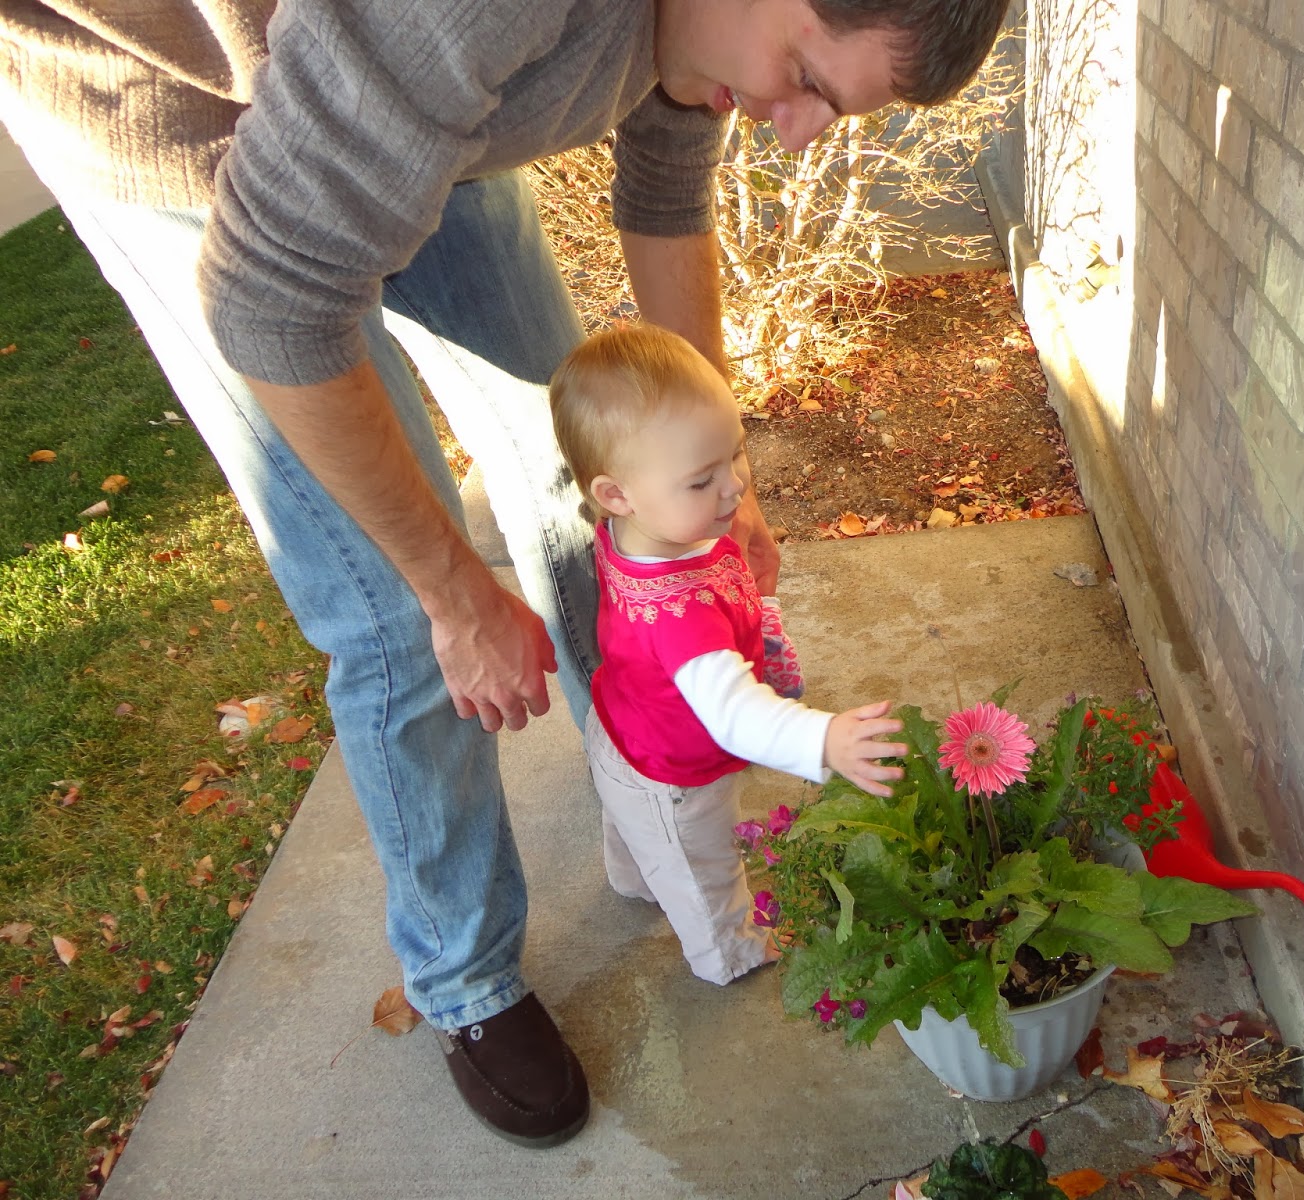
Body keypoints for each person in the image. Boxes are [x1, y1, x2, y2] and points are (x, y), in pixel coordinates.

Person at [0, 0, 1011, 1149]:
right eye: (808, 82)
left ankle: (638, 770)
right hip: (194, 134)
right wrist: (451, 588)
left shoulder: (710, 32)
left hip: (425, 102)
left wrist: (714, 474)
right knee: (393, 615)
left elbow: (667, 182)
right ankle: (464, 975)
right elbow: (269, 301)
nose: (794, 129)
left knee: (598, 483)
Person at [549, 324, 906, 986]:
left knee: (635, 825)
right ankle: (730, 953)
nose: (734, 487)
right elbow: (735, 714)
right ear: (616, 494)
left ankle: (635, 879)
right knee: (705, 872)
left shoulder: (639, 530)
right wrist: (823, 739)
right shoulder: (682, 622)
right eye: (700, 480)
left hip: (622, 728)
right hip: (677, 777)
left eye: (736, 453)